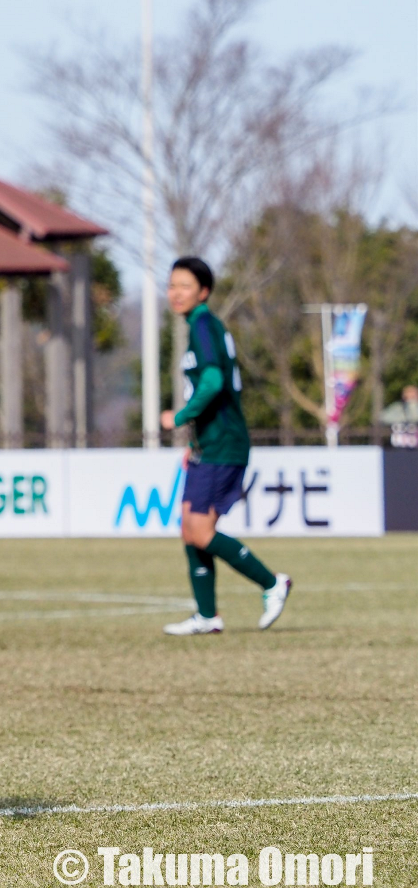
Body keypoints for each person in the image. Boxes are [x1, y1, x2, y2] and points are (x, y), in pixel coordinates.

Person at [159, 256, 291, 636]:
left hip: (224, 443)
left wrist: (181, 417)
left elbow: (214, 380)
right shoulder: (202, 326)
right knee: (189, 527)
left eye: (184, 285)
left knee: (200, 530)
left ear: (203, 291)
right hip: (209, 444)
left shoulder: (203, 323)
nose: (175, 292)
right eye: (172, 285)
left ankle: (272, 583)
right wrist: (194, 441)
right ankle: (207, 616)